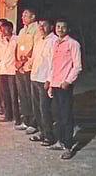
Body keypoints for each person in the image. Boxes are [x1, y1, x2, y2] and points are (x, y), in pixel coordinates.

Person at [46, 18, 82, 160]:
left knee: (66, 116)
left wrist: (68, 81)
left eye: (63, 27)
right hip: (54, 84)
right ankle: (60, 141)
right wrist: (49, 80)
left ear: (68, 29)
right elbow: (52, 64)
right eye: (58, 27)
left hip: (64, 85)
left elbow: (77, 66)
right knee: (57, 115)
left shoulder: (73, 44)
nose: (60, 29)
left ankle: (68, 146)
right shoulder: (55, 43)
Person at [28, 18, 58, 147]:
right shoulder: (39, 40)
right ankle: (41, 132)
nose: (41, 27)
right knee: (36, 108)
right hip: (34, 77)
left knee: (44, 108)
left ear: (51, 27)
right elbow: (34, 58)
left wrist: (49, 79)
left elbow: (53, 62)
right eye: (39, 25)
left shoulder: (54, 41)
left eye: (44, 25)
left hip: (44, 79)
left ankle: (49, 135)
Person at [15, 9, 41, 133]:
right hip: (20, 67)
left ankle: (34, 123)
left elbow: (34, 48)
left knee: (31, 97)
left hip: (29, 66)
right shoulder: (22, 30)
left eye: (26, 15)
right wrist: (17, 61)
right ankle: (26, 120)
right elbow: (18, 46)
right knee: (23, 95)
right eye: (22, 15)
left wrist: (25, 61)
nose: (23, 17)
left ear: (33, 16)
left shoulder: (37, 29)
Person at [0, 21, 22, 129]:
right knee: (5, 94)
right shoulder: (0, 40)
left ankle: (17, 117)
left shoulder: (17, 39)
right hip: (2, 69)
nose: (3, 31)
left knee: (13, 95)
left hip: (12, 70)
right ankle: (8, 115)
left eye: (5, 29)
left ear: (11, 29)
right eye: (2, 29)